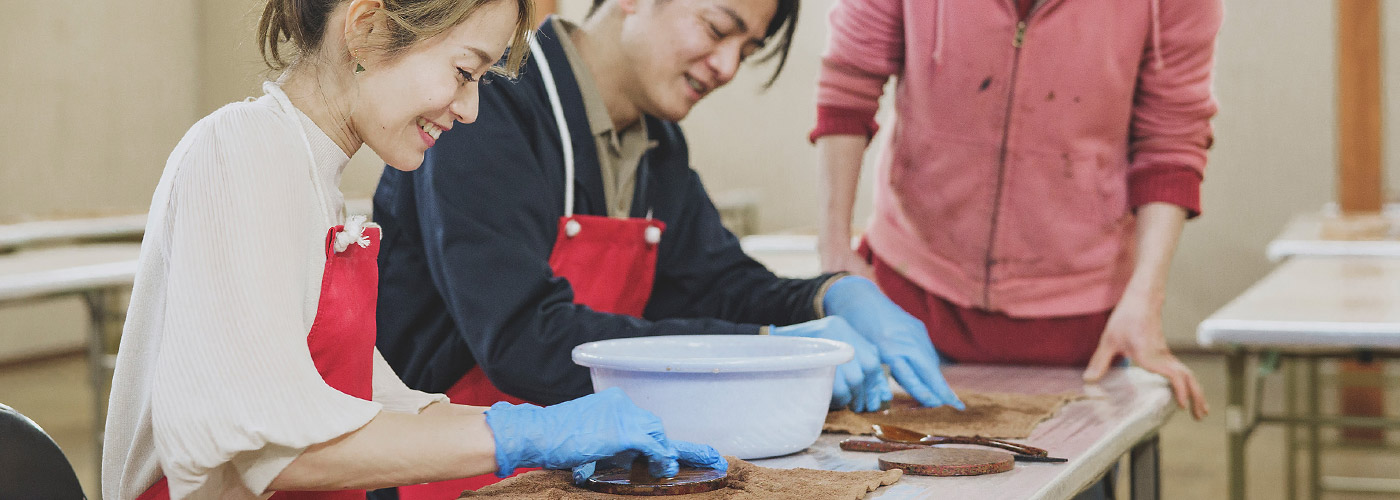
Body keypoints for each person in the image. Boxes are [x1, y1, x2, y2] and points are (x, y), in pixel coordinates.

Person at [100, 1, 725, 498]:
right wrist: (524, 434)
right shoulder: (239, 151)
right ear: (367, 30)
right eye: (464, 72)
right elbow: (264, 447)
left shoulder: (315, 184)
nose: (472, 108)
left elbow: (372, 408)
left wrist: (572, 432)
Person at [371, 0, 963, 496]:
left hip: (572, 480)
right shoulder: (486, 104)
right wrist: (756, 352)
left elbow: (719, 282)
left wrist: (830, 295)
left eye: (748, 50)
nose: (728, 65)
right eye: (717, 28)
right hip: (453, 478)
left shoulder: (658, 146)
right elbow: (524, 336)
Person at [811, 0, 1216, 422]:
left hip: (1078, 329)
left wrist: (1145, 297)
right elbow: (848, 87)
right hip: (909, 306)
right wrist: (835, 251)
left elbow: (1170, 142)